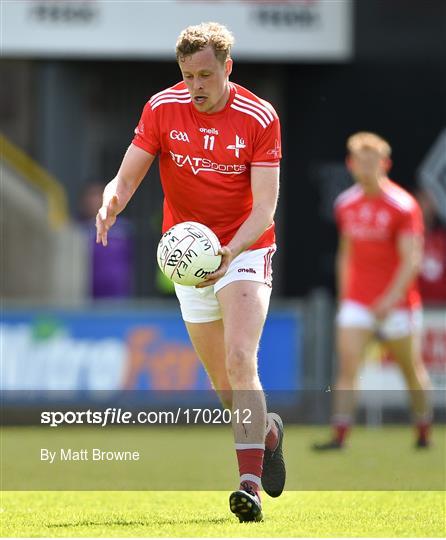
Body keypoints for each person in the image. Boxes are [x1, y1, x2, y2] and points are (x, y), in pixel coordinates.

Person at [95, 22, 285, 522]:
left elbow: (264, 209)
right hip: (188, 256)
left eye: (204, 74)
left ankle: (249, 484)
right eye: (187, 75)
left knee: (243, 358)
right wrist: (112, 202)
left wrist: (230, 251)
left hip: (243, 248)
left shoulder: (259, 116)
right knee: (226, 390)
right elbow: (130, 172)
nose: (195, 85)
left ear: (227, 67)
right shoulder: (162, 107)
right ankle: (265, 432)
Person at [313, 132, 433, 451]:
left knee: (410, 368)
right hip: (358, 302)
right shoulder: (346, 204)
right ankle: (340, 435)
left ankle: (423, 430)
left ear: (386, 164)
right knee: (348, 366)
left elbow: (412, 259)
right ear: (350, 165)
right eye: (360, 162)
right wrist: (345, 297)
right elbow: (346, 252)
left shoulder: (403, 206)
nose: (365, 168)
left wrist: (390, 299)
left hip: (398, 304)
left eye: (372, 161)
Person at [79, 182, 134, 299]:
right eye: (91, 195)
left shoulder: (123, 227)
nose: (94, 200)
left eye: (98, 195)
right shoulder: (77, 229)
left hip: (118, 294)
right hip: (86, 293)